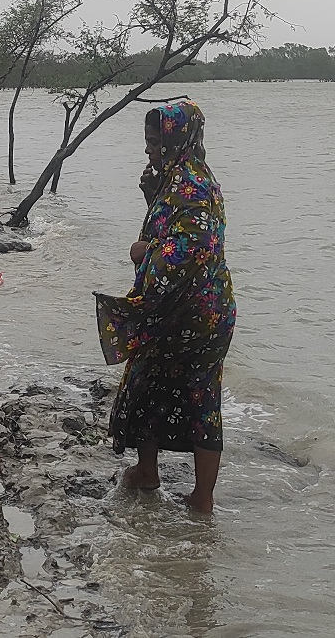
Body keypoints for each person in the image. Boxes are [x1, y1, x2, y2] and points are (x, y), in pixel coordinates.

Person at [97, 101, 235, 515]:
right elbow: (179, 231)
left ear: (177, 140)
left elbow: (186, 251)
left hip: (186, 312)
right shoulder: (190, 178)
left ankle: (153, 474)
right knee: (199, 396)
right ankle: (197, 496)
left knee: (147, 381)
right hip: (207, 310)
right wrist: (152, 197)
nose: (149, 150)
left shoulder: (190, 186)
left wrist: (143, 251)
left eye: (155, 142)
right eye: (148, 142)